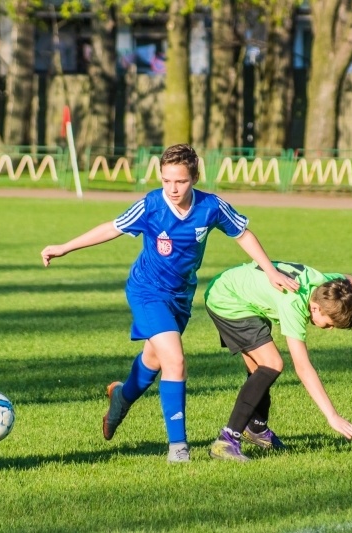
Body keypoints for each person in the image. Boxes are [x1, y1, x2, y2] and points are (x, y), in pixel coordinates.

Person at [40, 144, 299, 463]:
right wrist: (65, 247)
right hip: (147, 291)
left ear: (195, 177)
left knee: (154, 358)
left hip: (181, 295)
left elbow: (242, 234)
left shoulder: (211, 206)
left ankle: (121, 398)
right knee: (175, 359)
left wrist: (271, 271)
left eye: (180, 181)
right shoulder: (151, 204)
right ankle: (178, 448)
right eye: (166, 181)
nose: (173, 189)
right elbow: (114, 227)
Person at [204, 260, 352, 461]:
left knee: (259, 371)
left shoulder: (326, 286)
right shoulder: (294, 303)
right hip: (227, 298)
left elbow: (350, 280)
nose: (330, 329)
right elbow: (303, 368)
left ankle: (255, 427)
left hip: (239, 290)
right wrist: (332, 416)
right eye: (329, 324)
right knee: (272, 364)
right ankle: (226, 441)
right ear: (315, 308)